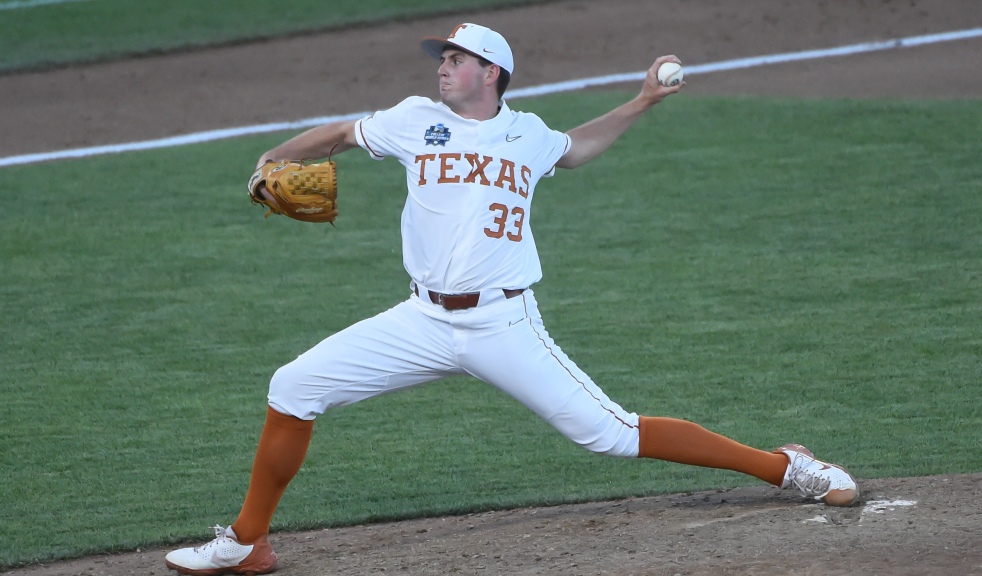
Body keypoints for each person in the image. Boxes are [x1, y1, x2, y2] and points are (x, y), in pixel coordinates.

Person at [165, 22, 858, 576]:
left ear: (490, 73)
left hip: (501, 320)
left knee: (610, 433)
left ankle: (789, 466)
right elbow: (341, 134)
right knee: (294, 386)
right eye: (443, 57)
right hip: (421, 318)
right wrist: (269, 161)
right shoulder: (414, 120)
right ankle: (247, 543)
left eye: (457, 59)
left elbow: (577, 148)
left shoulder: (526, 134)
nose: (442, 66)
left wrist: (642, 102)